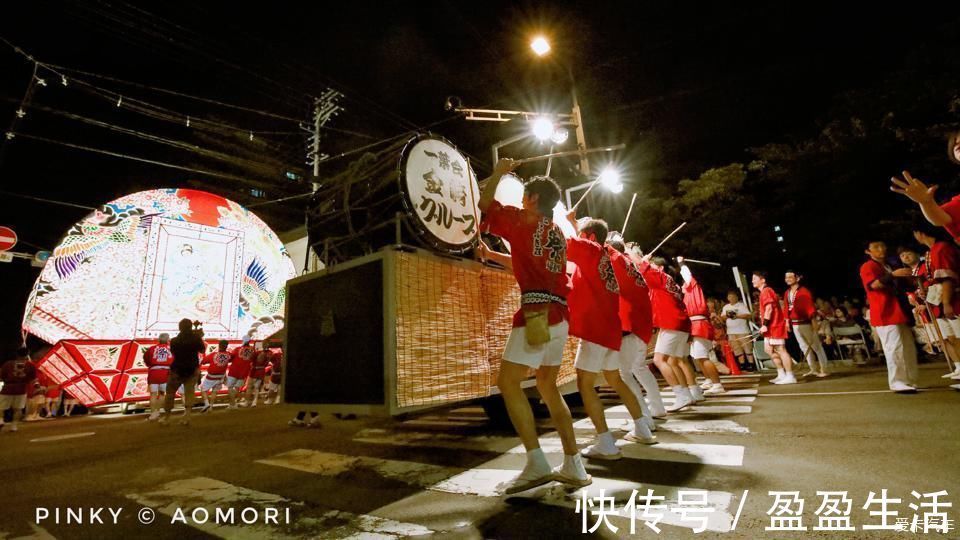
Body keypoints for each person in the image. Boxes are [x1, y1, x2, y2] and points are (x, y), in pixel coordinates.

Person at [477, 158, 590, 494]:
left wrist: (497, 172)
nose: (522, 200)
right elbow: (526, 259)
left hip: (537, 313)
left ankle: (536, 461)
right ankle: (574, 463)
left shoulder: (521, 218)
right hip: (559, 313)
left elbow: (485, 205)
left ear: (533, 199)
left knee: (508, 383)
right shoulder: (554, 232)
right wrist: (494, 256)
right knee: (547, 386)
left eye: (525, 196)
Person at [564, 216, 656, 461]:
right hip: (611, 327)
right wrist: (575, 224)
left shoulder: (591, 249)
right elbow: (578, 242)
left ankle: (606, 442)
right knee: (615, 378)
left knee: (585, 383)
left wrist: (566, 224)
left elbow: (563, 243)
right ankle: (642, 428)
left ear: (591, 238)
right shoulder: (607, 255)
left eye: (583, 234)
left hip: (595, 326)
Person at [607, 236, 666, 423]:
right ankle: (655, 407)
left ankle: (642, 417)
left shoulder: (621, 263)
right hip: (640, 325)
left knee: (625, 373)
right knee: (638, 368)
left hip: (630, 325)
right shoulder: (634, 267)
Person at [637, 253, 700, 411]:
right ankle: (688, 394)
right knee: (673, 360)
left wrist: (642, 260)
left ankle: (681, 395)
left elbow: (641, 268)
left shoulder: (660, 277)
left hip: (671, 322)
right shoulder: (670, 282)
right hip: (680, 323)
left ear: (659, 268)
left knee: (659, 360)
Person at [859, 241, 919, 392]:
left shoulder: (888, 265)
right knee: (893, 347)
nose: (882, 249)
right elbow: (873, 285)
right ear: (868, 251)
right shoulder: (869, 266)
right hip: (884, 311)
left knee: (907, 347)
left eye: (882, 246)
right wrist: (892, 275)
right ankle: (897, 381)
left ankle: (910, 378)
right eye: (876, 247)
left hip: (898, 309)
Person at [677, 257, 725, 395]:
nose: (681, 287)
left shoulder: (693, 287)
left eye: (683, 285)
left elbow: (686, 274)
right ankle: (709, 380)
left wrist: (681, 263)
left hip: (699, 324)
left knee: (702, 356)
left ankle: (717, 384)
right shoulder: (687, 295)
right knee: (697, 357)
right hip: (694, 325)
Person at [753, 271, 797, 385]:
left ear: (762, 280)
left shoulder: (767, 290)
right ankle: (781, 373)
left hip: (774, 325)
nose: (752, 281)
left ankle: (790, 375)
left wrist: (765, 325)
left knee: (781, 350)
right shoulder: (763, 292)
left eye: (755, 278)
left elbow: (769, 309)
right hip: (770, 327)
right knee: (769, 350)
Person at [784, 271, 830, 378]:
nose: (788, 279)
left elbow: (810, 308)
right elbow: (786, 308)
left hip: (805, 323)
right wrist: (787, 321)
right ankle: (813, 368)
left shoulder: (804, 292)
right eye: (786, 277)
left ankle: (824, 368)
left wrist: (814, 323)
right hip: (795, 324)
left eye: (791, 277)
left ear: (797, 278)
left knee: (816, 346)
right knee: (804, 347)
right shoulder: (787, 292)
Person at [162, 319, 206, 425]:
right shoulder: (196, 339)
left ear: (179, 328)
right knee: (189, 392)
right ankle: (187, 416)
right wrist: (199, 337)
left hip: (177, 369)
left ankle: (167, 416)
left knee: (170, 393)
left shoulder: (174, 341)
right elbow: (202, 350)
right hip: (192, 368)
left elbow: (173, 353)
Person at [0, 347, 37, 433]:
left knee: (1, 407)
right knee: (18, 409)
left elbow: (2, 376)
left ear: (16, 354)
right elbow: (33, 379)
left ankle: (1, 420)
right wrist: (36, 387)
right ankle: (14, 425)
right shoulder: (30, 365)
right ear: (27, 355)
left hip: (7, 388)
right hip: (21, 389)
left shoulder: (8, 364)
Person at [721, 291, 756, 371]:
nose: (731, 298)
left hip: (742, 331)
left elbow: (748, 315)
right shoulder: (726, 307)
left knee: (747, 347)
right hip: (731, 332)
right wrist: (728, 315)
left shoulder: (741, 305)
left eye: (733, 296)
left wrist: (736, 315)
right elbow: (722, 316)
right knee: (736, 348)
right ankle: (742, 364)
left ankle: (751, 364)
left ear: (736, 297)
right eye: (730, 297)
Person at [143, 333, 174, 421]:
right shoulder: (171, 349)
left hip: (153, 373)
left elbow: (146, 358)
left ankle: (153, 414)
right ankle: (157, 411)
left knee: (153, 394)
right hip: (166, 373)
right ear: (168, 340)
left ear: (158, 340)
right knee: (162, 394)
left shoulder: (152, 348)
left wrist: (151, 365)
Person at [200, 340, 232, 413]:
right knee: (214, 391)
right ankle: (211, 407)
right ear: (226, 346)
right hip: (221, 376)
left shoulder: (214, 354)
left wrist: (204, 353)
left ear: (219, 345)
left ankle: (206, 404)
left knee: (203, 389)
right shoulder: (229, 355)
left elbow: (203, 361)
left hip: (211, 376)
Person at [226, 336, 256, 409]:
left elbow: (230, 358)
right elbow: (252, 359)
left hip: (234, 371)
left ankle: (233, 404)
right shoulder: (253, 350)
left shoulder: (237, 349)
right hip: (244, 372)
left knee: (230, 387)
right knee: (237, 388)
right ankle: (232, 404)